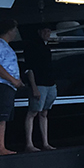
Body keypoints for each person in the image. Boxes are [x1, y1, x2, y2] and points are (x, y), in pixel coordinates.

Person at [0, 18, 24, 156]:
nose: (15, 33)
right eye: (14, 30)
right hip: (2, 85)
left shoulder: (5, 46)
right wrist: (13, 80)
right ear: (9, 30)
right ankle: (0, 147)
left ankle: (3, 146)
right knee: (0, 116)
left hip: (9, 86)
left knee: (5, 115)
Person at [23, 24, 58, 152]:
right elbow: (29, 68)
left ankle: (45, 142)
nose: (47, 33)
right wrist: (34, 87)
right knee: (33, 112)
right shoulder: (32, 46)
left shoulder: (46, 47)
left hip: (49, 83)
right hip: (39, 84)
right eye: (45, 31)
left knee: (44, 112)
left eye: (49, 31)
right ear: (39, 32)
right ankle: (29, 143)